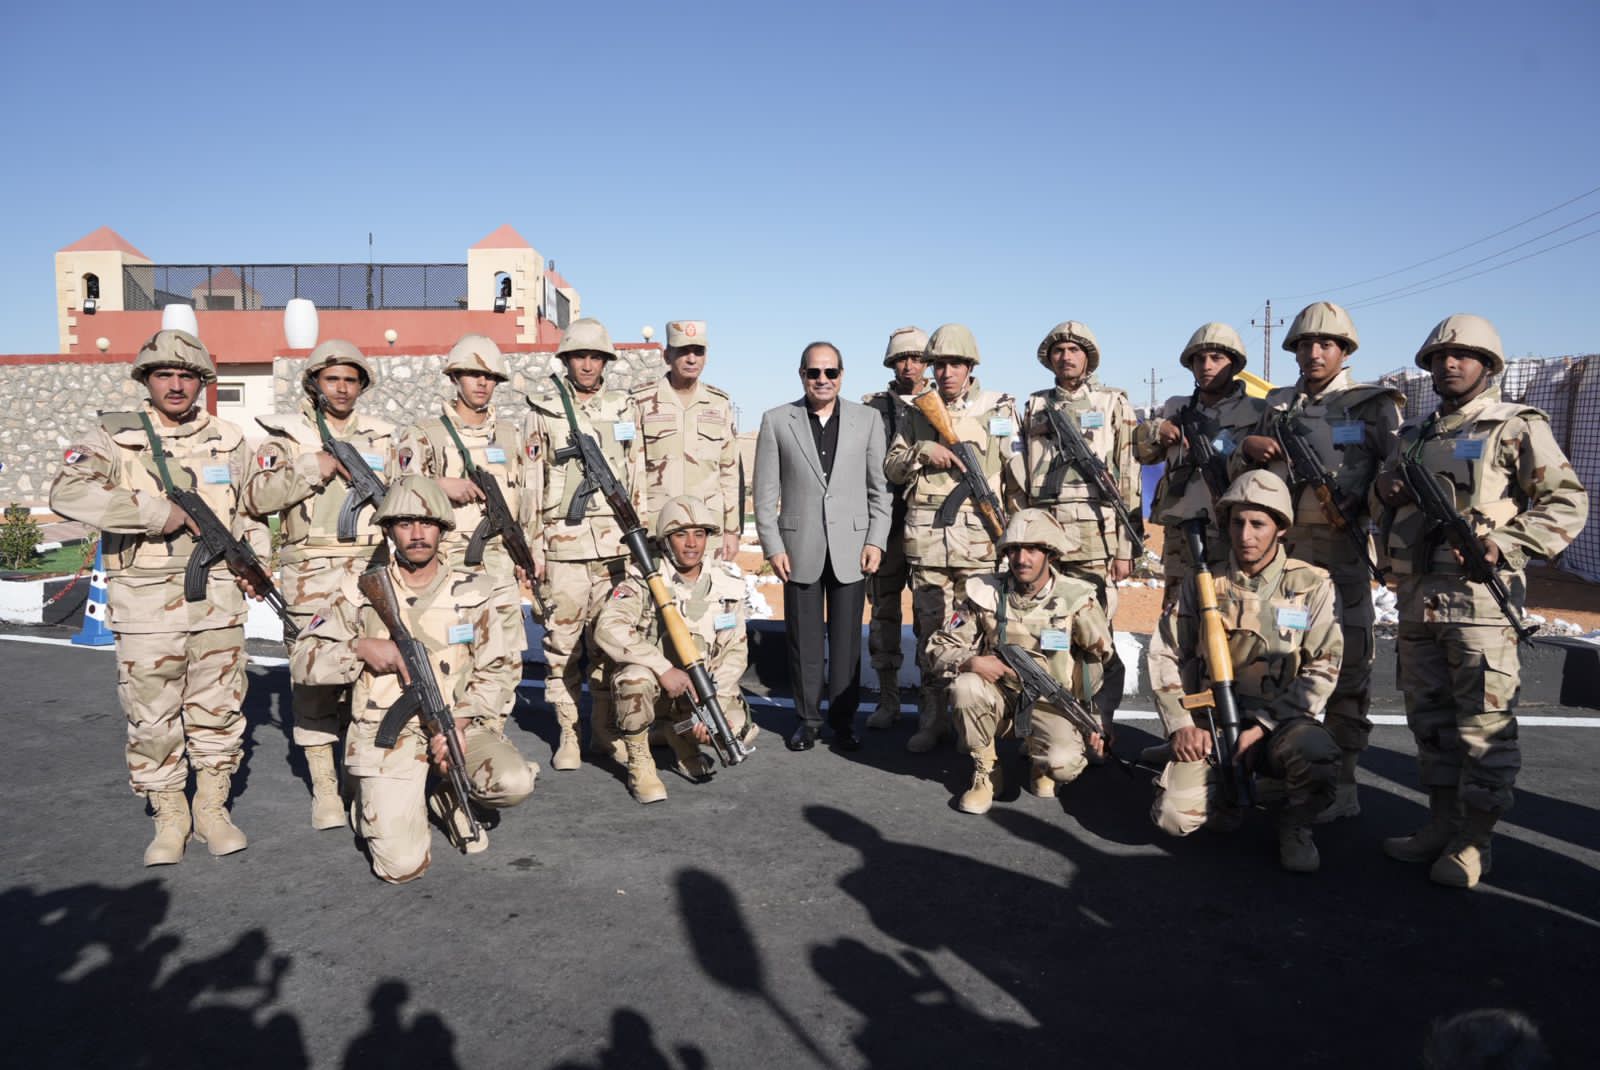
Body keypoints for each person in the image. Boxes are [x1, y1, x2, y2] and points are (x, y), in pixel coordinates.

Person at [1374, 314, 1587, 888]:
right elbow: (1384, 504)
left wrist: (1506, 544)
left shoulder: (1514, 425)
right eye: (1440, 357)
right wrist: (1383, 490)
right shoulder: (1415, 435)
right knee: (1430, 723)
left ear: (1488, 365)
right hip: (1418, 600)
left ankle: (1476, 841)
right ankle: (1441, 825)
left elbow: (1566, 501)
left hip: (1480, 607)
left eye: (1463, 356)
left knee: (1484, 729)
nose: (1449, 364)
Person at [50, 329, 262, 864]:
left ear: (202, 381)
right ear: (146, 379)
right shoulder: (113, 436)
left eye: (186, 375)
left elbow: (249, 512)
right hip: (145, 608)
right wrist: (155, 512)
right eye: (164, 374)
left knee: (219, 709)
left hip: (217, 601)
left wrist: (255, 562)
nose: (175, 385)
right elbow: (68, 491)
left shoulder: (229, 439)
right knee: (152, 715)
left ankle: (212, 809)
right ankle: (170, 816)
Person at [288, 476, 537, 884]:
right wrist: (360, 648)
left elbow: (499, 669)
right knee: (400, 867)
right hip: (388, 732)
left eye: (427, 523)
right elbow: (302, 660)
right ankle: (372, 797)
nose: (417, 534)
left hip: (457, 723)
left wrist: (460, 723)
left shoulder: (475, 591)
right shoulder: (359, 592)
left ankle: (447, 794)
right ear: (389, 530)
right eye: (405, 524)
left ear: (443, 529)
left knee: (514, 782)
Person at [1236, 301, 1401, 823]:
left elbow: (1396, 477)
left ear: (1344, 350)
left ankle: (1343, 781)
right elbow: (1251, 469)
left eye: (1326, 344)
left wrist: (1368, 505)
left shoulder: (1371, 405)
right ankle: (1280, 770)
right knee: (1278, 662)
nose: (1314, 353)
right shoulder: (1279, 404)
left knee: (1347, 668)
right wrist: (1248, 446)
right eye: (1305, 344)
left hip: (1342, 554)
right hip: (1284, 562)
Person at [1146, 470, 1343, 872]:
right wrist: (1181, 725)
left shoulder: (1312, 584)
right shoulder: (1203, 582)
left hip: (1281, 724)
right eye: (1237, 523)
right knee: (1174, 818)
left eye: (1258, 524)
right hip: (1212, 724)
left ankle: (1294, 824)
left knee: (1317, 754)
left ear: (1280, 528)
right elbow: (1166, 652)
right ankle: (1222, 794)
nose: (1245, 535)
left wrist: (1265, 726)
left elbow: (1324, 665)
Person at [242, 339, 395, 831]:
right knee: (313, 679)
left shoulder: (382, 437)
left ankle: (358, 775)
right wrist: (316, 466)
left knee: (368, 675)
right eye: (333, 379)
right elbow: (256, 497)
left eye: (351, 380)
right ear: (314, 383)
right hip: (310, 574)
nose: (343, 388)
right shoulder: (285, 439)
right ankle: (325, 787)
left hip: (371, 570)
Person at [884, 323, 1022, 753]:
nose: (945, 373)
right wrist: (923, 452)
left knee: (980, 637)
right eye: (939, 365)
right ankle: (932, 720)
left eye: (954, 365)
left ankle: (973, 724)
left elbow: (1016, 478)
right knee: (931, 636)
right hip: (928, 546)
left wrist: (1015, 536)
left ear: (970, 367)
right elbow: (892, 467)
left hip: (980, 547)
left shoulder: (996, 409)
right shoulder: (918, 412)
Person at [926, 509, 1116, 814]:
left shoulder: (1077, 600)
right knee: (966, 687)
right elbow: (938, 647)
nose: (1021, 559)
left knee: (1063, 765)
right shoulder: (984, 593)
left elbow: (1109, 664)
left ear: (1050, 554)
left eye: (1032, 550)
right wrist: (971, 662)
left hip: (1053, 701)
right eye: (1013, 550)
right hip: (1001, 695)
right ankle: (987, 772)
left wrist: (1100, 718)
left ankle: (1041, 762)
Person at [753, 341, 892, 751]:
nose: (822, 379)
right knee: (805, 642)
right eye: (814, 372)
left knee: (847, 643)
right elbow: (765, 495)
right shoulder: (777, 420)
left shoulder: (867, 420)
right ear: (802, 375)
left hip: (853, 547)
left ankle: (844, 723)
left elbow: (880, 490)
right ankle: (808, 721)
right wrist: (773, 546)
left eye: (830, 372)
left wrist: (876, 540)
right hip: (798, 548)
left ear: (841, 376)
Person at [391, 334, 532, 734]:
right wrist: (439, 485)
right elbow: (397, 491)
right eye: (472, 374)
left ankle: (492, 738)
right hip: (448, 563)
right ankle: (449, 736)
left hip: (500, 562)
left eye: (490, 377)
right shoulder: (425, 434)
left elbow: (525, 497)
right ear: (455, 377)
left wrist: (527, 555)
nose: (482, 383)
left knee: (505, 654)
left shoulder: (508, 435)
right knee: (454, 651)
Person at [525, 317, 648, 770]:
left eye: (596, 357)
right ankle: (569, 733)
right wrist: (533, 545)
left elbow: (636, 474)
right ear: (567, 359)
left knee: (606, 643)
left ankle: (602, 730)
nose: (588, 365)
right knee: (562, 646)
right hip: (564, 548)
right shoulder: (543, 410)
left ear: (606, 361)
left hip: (615, 548)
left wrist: (639, 537)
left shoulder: (623, 408)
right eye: (580, 356)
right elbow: (532, 481)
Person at [593, 496, 757, 802]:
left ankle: (681, 737)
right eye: (681, 534)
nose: (692, 544)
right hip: (657, 686)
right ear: (666, 540)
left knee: (734, 730)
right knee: (634, 679)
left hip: (699, 690)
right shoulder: (644, 578)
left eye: (699, 534)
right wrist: (662, 668)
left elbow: (735, 651)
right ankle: (640, 761)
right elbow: (609, 627)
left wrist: (714, 702)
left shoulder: (726, 584)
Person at [1017, 320, 1140, 730]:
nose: (1066, 357)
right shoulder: (1034, 405)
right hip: (1044, 536)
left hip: (1095, 536)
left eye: (1074, 350)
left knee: (1096, 632)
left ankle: (1100, 721)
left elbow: (1128, 475)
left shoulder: (1111, 403)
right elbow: (1019, 474)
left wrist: (1125, 548)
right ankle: (1052, 720)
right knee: (1046, 626)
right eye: (1059, 350)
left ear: (1088, 357)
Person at [1132, 323, 1265, 597]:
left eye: (1216, 358)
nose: (1206, 366)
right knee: (1178, 609)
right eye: (1199, 359)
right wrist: (1157, 431)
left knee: (1230, 607)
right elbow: (1141, 453)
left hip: (1232, 531)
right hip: (1180, 531)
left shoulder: (1257, 411)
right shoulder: (1176, 407)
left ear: (1234, 363)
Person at [860, 326, 928, 729]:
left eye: (917, 358)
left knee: (929, 618)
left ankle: (931, 706)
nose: (909, 366)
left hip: (931, 529)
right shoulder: (871, 408)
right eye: (902, 359)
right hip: (885, 527)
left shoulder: (941, 404)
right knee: (884, 615)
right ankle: (888, 700)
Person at [633, 320, 743, 559]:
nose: (692, 359)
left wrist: (732, 529)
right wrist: (638, 525)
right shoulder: (642, 402)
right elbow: (633, 472)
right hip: (657, 529)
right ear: (667, 356)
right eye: (683, 351)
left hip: (706, 529)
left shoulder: (719, 404)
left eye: (698, 352)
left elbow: (729, 471)